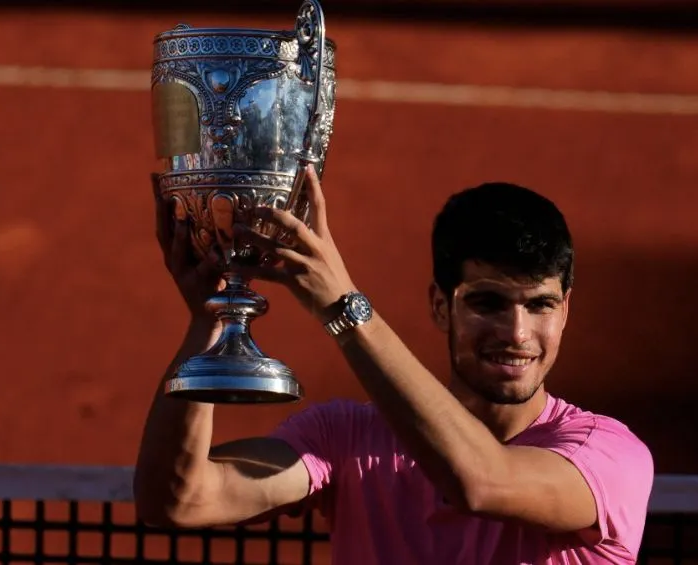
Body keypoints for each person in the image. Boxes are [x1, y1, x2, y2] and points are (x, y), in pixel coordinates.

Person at [134, 166, 655, 564]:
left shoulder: (608, 456)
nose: (517, 335)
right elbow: (179, 500)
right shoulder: (346, 440)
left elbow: (481, 482)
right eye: (488, 303)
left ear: (565, 311)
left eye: (539, 305)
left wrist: (343, 306)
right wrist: (214, 318)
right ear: (439, 306)